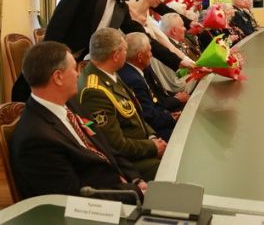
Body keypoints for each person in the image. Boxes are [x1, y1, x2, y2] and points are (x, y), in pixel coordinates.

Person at [12, 0, 191, 103]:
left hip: (78, 68)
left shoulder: (121, 8)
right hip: (51, 62)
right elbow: (57, 25)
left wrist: (179, 62)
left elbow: (144, 38)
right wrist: (54, 62)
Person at [10, 42, 146, 201]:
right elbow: (73, 198)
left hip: (123, 188)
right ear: (58, 77)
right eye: (74, 69)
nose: (78, 74)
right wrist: (134, 192)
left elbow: (105, 146)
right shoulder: (35, 139)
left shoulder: (70, 103)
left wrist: (136, 179)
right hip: (103, 207)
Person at [78, 28, 166, 181]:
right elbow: (114, 145)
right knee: (171, 169)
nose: (127, 54)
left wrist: (152, 137)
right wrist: (152, 147)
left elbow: (136, 113)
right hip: (127, 163)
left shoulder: (109, 72)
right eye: (125, 50)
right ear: (116, 55)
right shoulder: (95, 91)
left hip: (141, 146)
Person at [118, 33, 177, 142]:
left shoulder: (134, 70)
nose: (151, 54)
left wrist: (168, 115)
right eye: (149, 51)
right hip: (150, 133)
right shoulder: (134, 80)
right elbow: (148, 116)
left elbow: (153, 103)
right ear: (140, 57)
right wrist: (171, 118)